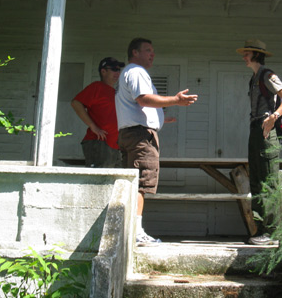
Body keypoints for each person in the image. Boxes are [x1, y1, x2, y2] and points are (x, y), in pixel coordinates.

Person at [116, 37, 198, 245]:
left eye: (153, 50)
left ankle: (129, 229)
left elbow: (136, 107)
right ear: (134, 52)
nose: (152, 54)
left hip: (132, 133)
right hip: (140, 136)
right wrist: (175, 101)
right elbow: (143, 98)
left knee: (132, 182)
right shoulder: (136, 72)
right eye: (147, 50)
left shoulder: (130, 72)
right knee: (141, 183)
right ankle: (136, 232)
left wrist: (160, 119)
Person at [236, 39, 282, 246]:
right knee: (257, 180)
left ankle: (271, 232)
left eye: (247, 53)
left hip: (266, 129)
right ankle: (261, 230)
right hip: (255, 128)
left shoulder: (268, 75)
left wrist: (273, 118)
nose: (244, 57)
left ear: (256, 55)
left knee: (269, 180)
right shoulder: (253, 78)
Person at [71, 57, 125, 168]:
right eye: (114, 69)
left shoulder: (116, 92)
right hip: (100, 143)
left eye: (119, 70)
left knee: (114, 182)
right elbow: (76, 103)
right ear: (103, 71)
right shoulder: (97, 87)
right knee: (99, 182)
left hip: (115, 145)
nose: (117, 73)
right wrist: (92, 126)